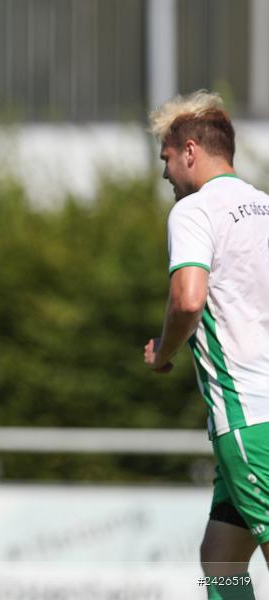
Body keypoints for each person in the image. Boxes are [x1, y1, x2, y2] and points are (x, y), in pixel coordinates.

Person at [144, 90, 269, 600]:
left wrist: (165, 351)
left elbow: (189, 300)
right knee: (221, 557)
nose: (166, 173)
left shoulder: (195, 210)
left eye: (167, 159)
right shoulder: (265, 207)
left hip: (250, 417)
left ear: (190, 150)